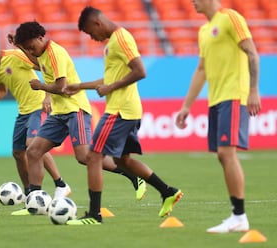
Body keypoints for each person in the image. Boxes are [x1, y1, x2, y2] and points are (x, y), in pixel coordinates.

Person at [64, 7, 183, 225]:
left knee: (93, 157)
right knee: (122, 159)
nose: (93, 38)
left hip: (119, 110)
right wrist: (80, 86)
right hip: (128, 110)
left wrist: (112, 88)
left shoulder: (121, 38)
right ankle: (167, 191)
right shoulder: (113, 43)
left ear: (97, 23)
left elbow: (140, 70)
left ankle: (94, 215)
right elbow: (109, 79)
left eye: (91, 33)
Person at [12, 21, 147, 201]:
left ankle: (134, 176)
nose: (30, 51)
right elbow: (36, 62)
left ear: (40, 38)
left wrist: (40, 86)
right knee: (34, 151)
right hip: (59, 113)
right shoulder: (42, 53)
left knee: (84, 157)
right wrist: (19, 46)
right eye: (27, 49)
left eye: (31, 47)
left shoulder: (55, 53)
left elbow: (62, 87)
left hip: (76, 110)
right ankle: (35, 200)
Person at [175, 0, 261, 233]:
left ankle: (239, 216)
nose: (192, 2)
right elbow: (201, 70)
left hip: (234, 95)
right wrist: (186, 106)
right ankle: (237, 215)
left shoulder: (231, 18)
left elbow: (252, 52)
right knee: (222, 156)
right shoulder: (204, 30)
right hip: (216, 99)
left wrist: (253, 90)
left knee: (226, 152)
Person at [0, 41, 71, 215]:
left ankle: (60, 184)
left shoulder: (16, 55)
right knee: (17, 153)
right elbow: (1, 91)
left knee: (33, 145)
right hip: (23, 112)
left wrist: (48, 96)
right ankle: (29, 195)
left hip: (37, 107)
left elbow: (45, 70)